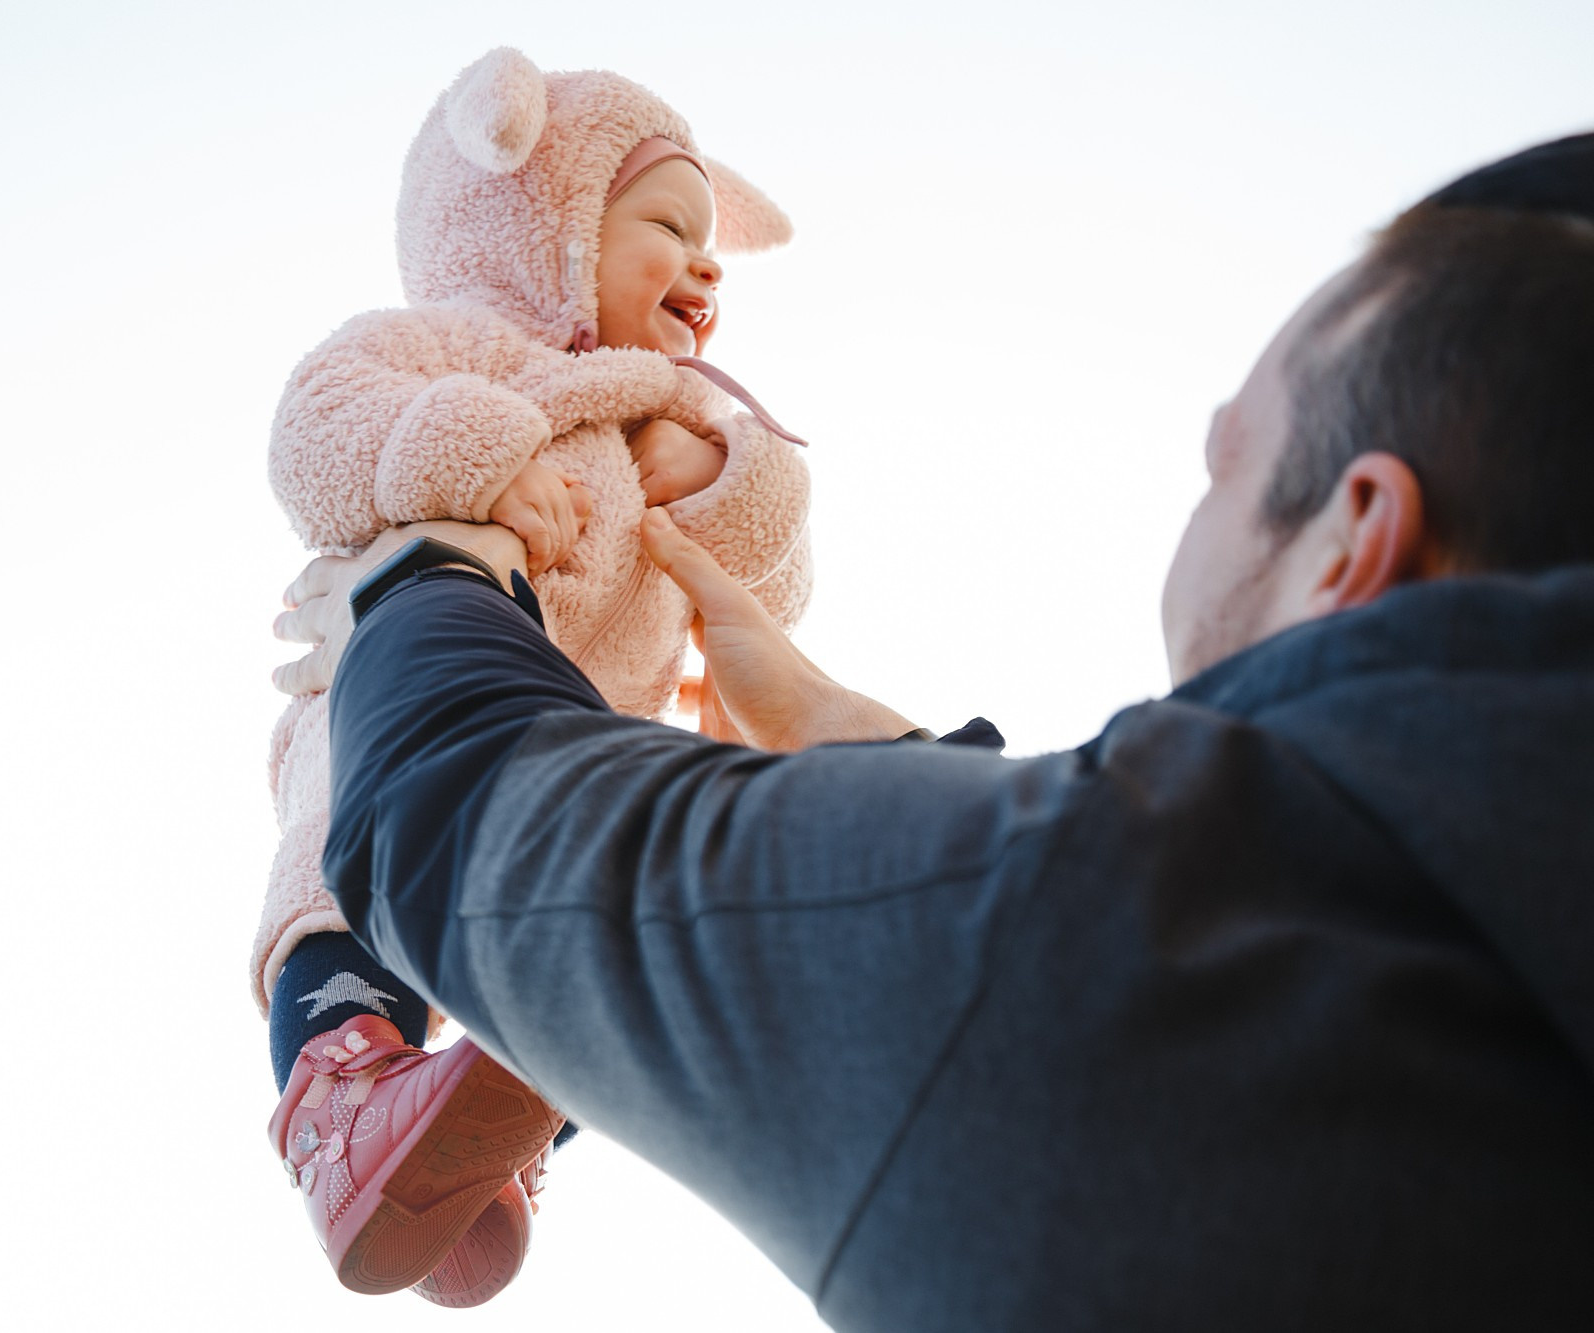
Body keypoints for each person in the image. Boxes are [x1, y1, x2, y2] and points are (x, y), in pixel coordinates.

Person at [270, 134, 1594, 1331]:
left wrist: (427, 568)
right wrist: (836, 724)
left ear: (1356, 538)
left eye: (1226, 462)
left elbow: (461, 815)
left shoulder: (1115, 937)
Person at [255, 48, 813, 1306]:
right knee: (345, 897)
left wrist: (734, 478)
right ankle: (345, 1105)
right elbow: (315, 420)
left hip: (573, 745)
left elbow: (771, 612)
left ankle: (478, 1163)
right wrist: (467, 449)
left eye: (713, 240)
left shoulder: (678, 423)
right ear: (542, 220)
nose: (709, 264)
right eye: (669, 225)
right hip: (394, 696)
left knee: (603, 957)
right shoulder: (470, 348)